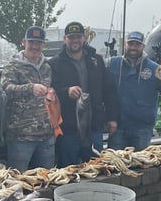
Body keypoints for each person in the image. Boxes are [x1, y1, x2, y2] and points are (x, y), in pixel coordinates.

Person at [49, 21, 114, 168]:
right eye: (71, 37)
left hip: (94, 127)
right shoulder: (55, 63)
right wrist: (66, 92)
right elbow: (50, 91)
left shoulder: (96, 60)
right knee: (68, 170)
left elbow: (108, 90)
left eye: (78, 37)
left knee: (98, 170)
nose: (75, 40)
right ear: (65, 39)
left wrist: (112, 118)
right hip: (68, 129)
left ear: (84, 38)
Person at [106, 31, 161, 151]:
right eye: (130, 44)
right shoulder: (112, 64)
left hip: (142, 128)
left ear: (143, 47)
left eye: (137, 44)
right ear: (125, 45)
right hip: (118, 126)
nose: (133, 47)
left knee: (141, 165)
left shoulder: (155, 68)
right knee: (115, 164)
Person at [0, 25, 55, 172]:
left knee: (46, 181)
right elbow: (6, 89)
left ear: (43, 44)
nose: (35, 46)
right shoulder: (12, 66)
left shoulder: (47, 67)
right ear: (23, 42)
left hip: (46, 135)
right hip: (21, 136)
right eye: (31, 42)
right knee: (18, 182)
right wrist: (30, 88)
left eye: (39, 43)